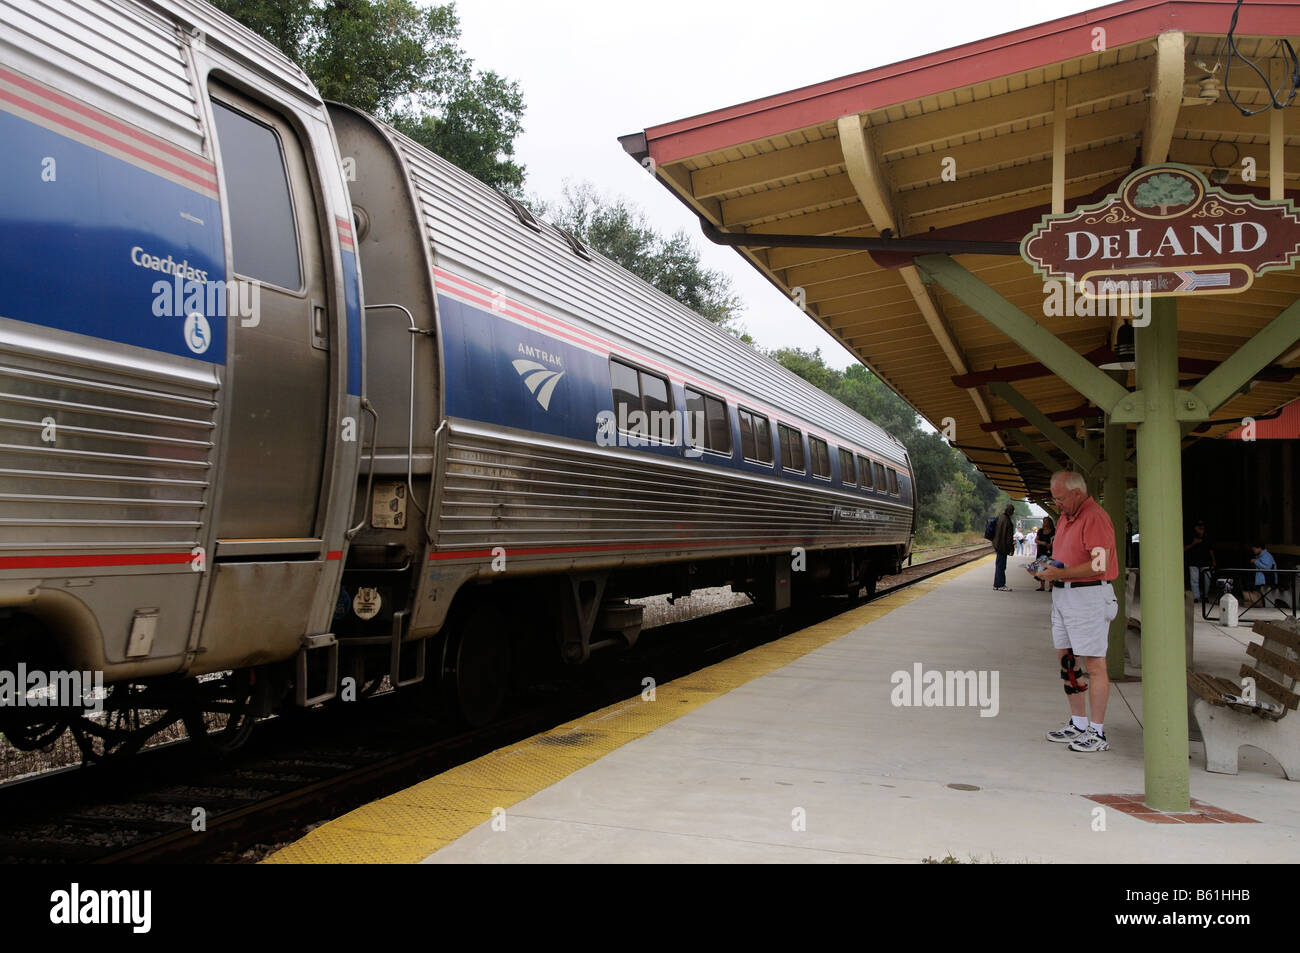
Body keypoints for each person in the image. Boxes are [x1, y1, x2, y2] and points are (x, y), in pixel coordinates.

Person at [1034, 471, 1118, 753]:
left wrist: (1062, 572)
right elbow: (1067, 558)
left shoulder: (1094, 517)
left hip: (1089, 595)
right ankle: (1079, 723)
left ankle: (1097, 732)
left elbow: (1098, 565)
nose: (1057, 504)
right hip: (1065, 595)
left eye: (1060, 499)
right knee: (1068, 661)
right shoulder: (1066, 518)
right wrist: (1049, 569)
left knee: (1094, 664)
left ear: (1077, 493)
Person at [1183, 519, 1215, 603]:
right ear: (1195, 528)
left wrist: (1213, 561)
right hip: (1193, 561)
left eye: (1202, 526)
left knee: (1207, 579)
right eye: (1199, 526)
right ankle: (1196, 597)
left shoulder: (1207, 537)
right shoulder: (1190, 536)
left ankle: (1205, 596)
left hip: (1205, 561)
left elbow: (1211, 550)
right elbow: (1184, 548)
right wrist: (1194, 543)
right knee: (1194, 580)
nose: (1201, 528)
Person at [1243, 542, 1278, 609]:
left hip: (1267, 581)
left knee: (1267, 599)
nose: (1254, 551)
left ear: (1259, 548)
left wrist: (1255, 561)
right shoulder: (1259, 556)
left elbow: (1267, 568)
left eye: (1254, 549)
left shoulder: (1266, 556)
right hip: (1261, 581)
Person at [992, 503, 1015, 590]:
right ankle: (1000, 585)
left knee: (998, 565)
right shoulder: (1007, 521)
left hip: (997, 544)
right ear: (1011, 511)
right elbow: (1009, 538)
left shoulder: (999, 517)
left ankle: (996, 584)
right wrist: (1011, 549)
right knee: (1001, 566)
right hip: (1003, 547)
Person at [1034, 516, 1056, 591]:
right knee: (1041, 568)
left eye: (1046, 521)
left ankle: (1051, 586)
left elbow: (1056, 539)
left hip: (1050, 552)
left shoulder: (1054, 531)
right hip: (1041, 552)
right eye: (1044, 521)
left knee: (1050, 568)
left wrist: (1052, 544)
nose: (1045, 523)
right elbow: (1036, 540)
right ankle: (1042, 586)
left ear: (1050, 522)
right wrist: (1042, 543)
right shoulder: (1040, 531)